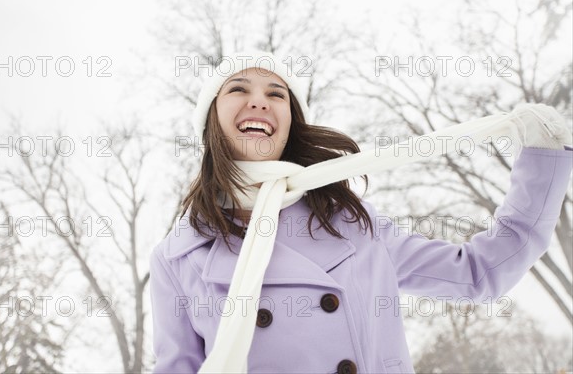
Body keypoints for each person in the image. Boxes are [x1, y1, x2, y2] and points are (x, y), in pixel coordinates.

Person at [149, 51, 573, 374]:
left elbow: (478, 275)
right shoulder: (177, 259)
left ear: (290, 124)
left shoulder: (353, 228)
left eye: (276, 94)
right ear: (211, 121)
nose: (259, 102)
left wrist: (543, 160)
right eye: (238, 89)